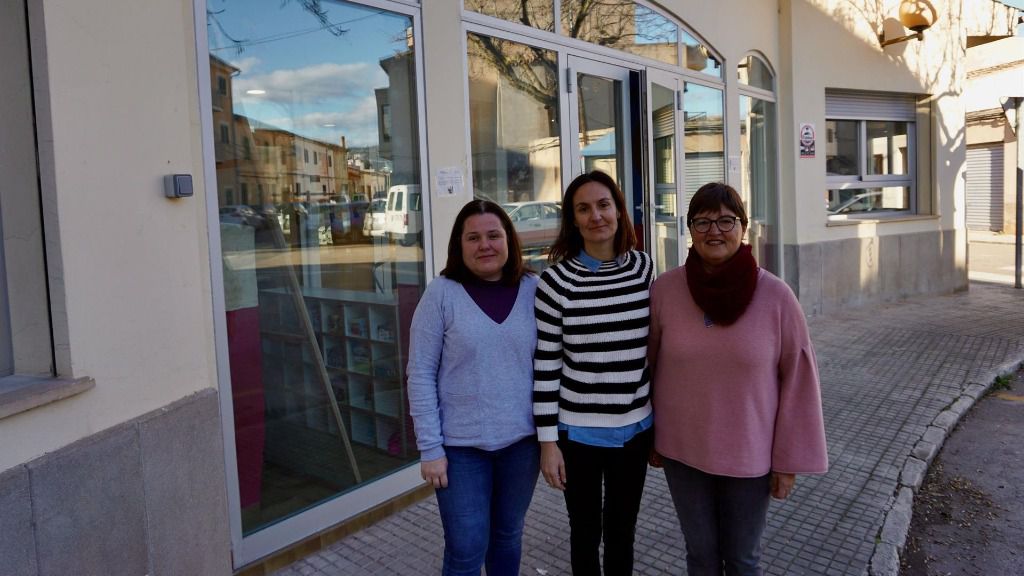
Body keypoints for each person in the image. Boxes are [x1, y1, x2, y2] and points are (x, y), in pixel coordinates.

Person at [648, 182, 828, 576]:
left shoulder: (777, 297)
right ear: (690, 230)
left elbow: (798, 383)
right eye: (702, 222)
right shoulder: (665, 291)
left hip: (750, 455)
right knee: (700, 556)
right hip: (682, 451)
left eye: (726, 221)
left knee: (743, 559)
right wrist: (651, 436)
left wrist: (788, 461)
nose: (714, 231)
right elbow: (650, 365)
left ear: (743, 227)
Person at [407, 199, 540, 576]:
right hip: (460, 449)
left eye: (494, 235)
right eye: (473, 237)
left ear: (509, 240)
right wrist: (430, 448)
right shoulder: (441, 294)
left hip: (522, 445)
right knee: (466, 548)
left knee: (508, 537)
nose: (485, 245)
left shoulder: (534, 289)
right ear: (459, 245)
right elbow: (420, 373)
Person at [533, 170, 654, 575]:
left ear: (619, 211)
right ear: (573, 220)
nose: (595, 216)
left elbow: (654, 351)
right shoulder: (555, 282)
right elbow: (546, 365)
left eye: (603, 205)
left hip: (635, 431)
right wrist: (547, 443)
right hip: (578, 435)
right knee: (584, 534)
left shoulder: (643, 269)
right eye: (583, 209)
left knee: (623, 532)